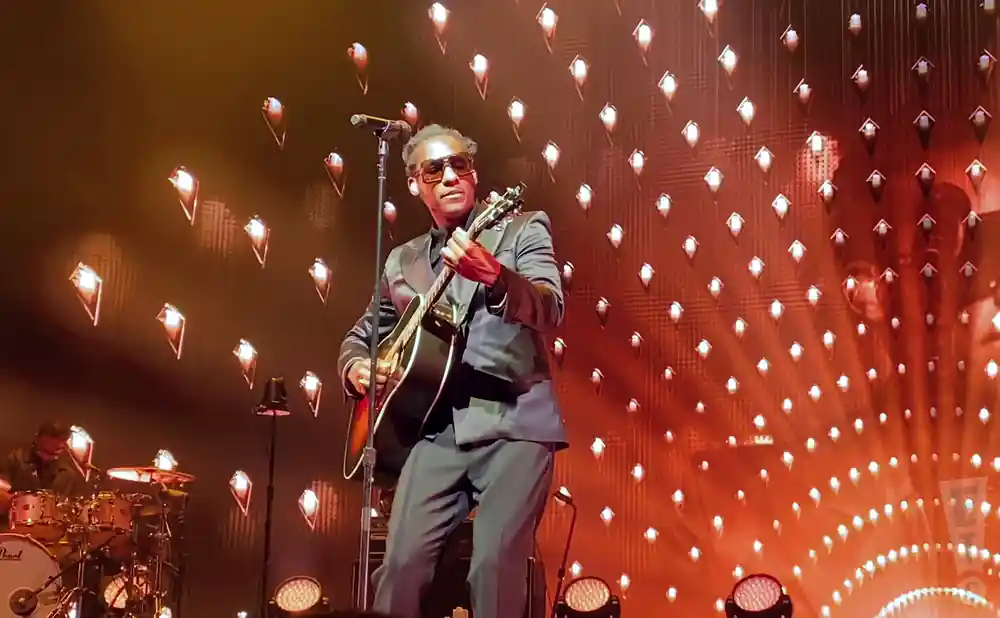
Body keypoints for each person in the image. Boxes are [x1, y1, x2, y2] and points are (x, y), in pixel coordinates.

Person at [338, 124, 567, 618]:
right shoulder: (403, 261)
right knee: (398, 567)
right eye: (433, 169)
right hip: (437, 432)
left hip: (515, 424)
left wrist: (497, 276)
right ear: (415, 184)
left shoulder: (521, 228)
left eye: (459, 163)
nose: (449, 176)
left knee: (493, 565)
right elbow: (365, 335)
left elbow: (550, 308)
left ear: (474, 172)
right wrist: (356, 367)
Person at [0, 420, 88, 519]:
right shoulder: (15, 458)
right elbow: (2, 486)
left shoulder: (68, 474)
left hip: (53, 530)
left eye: (54, 453)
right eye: (43, 451)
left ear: (64, 445)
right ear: (37, 438)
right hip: (13, 526)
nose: (46, 457)